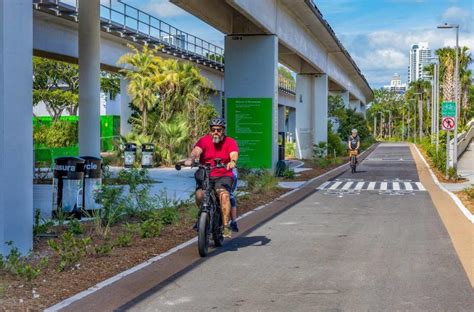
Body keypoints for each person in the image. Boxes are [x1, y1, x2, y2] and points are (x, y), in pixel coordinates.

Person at [185, 117, 239, 238]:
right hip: (206, 173)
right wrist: (190, 159)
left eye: (218, 130)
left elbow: (233, 153)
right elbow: (196, 151)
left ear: (223, 130)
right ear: (210, 130)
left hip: (223, 174)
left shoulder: (230, 142)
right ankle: (203, 214)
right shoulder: (204, 140)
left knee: (224, 195)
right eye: (213, 129)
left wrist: (232, 161)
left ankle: (225, 226)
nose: (216, 132)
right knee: (199, 195)